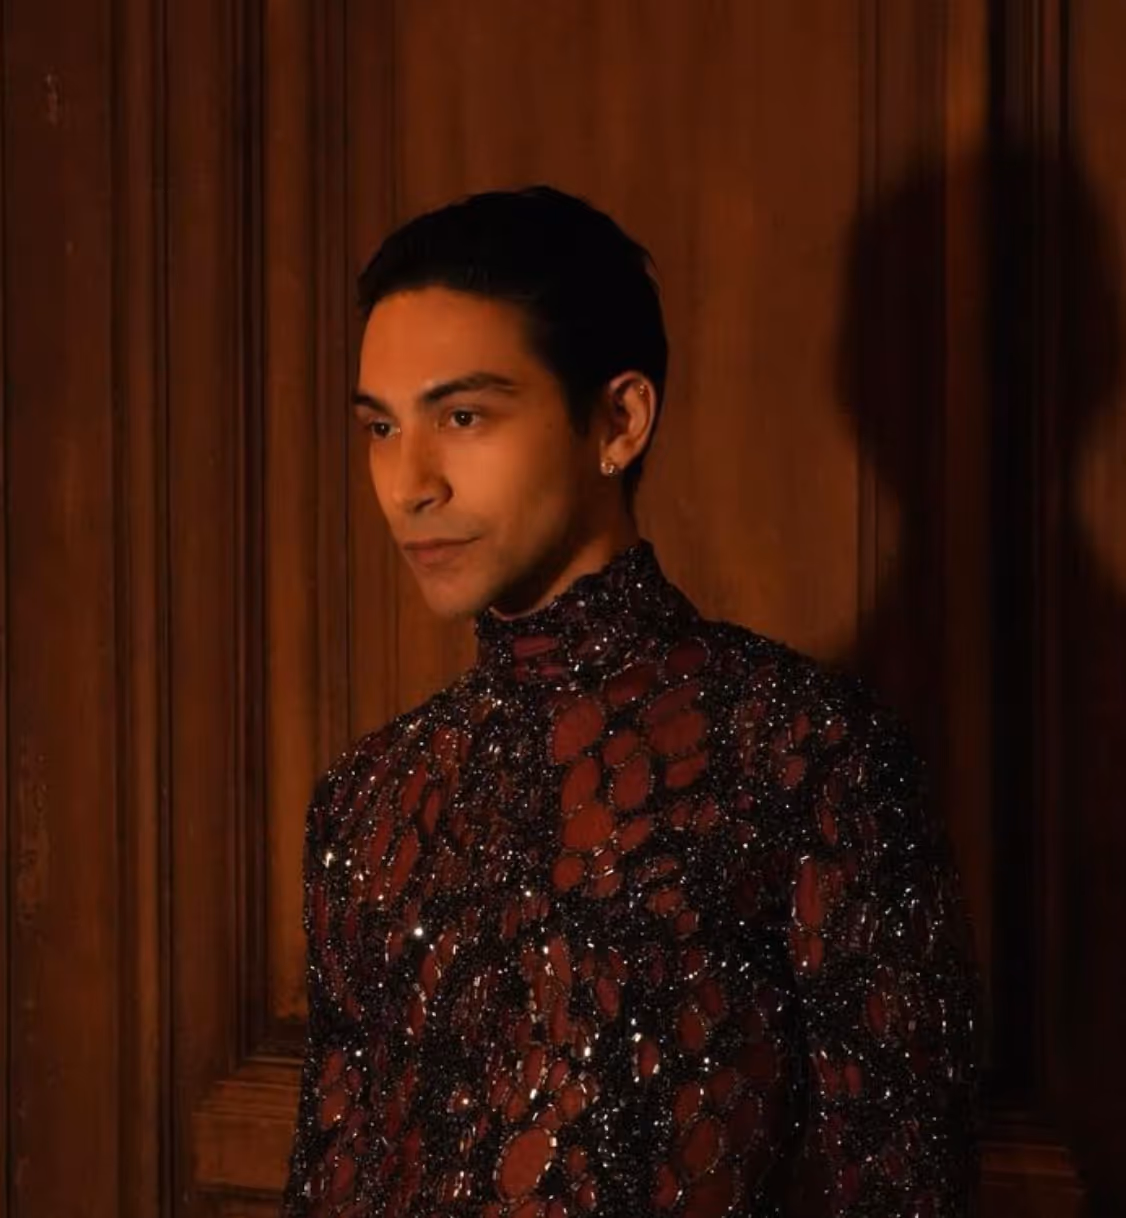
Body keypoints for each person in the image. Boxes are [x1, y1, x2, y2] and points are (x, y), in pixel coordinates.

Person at [280, 186, 977, 1217]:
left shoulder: (805, 755)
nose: (405, 483)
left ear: (618, 419)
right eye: (381, 427)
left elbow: (900, 1186)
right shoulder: (370, 799)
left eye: (462, 416)